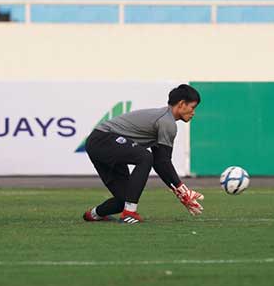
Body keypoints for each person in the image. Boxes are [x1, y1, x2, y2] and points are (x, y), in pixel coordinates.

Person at [83, 84, 204, 224]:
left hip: (98, 143)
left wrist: (181, 191)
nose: (194, 112)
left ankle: (93, 215)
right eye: (192, 107)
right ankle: (129, 213)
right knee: (145, 157)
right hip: (102, 139)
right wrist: (182, 190)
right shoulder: (167, 122)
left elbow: (160, 163)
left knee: (124, 199)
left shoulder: (165, 119)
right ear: (182, 104)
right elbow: (162, 162)